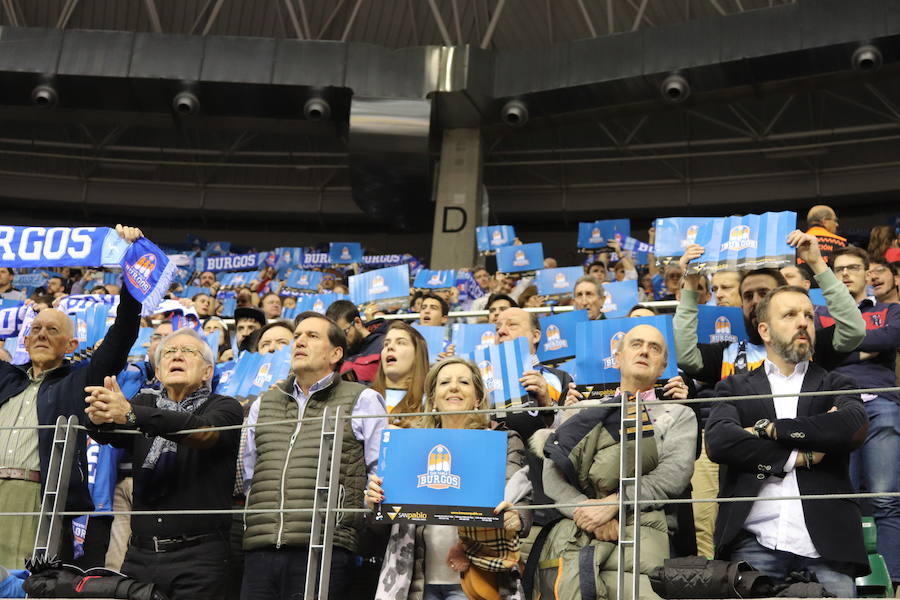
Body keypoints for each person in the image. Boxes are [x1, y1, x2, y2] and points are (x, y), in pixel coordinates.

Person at [705, 284, 869, 597]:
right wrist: (799, 456)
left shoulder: (837, 381)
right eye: (791, 315)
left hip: (829, 546)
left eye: (809, 315)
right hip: (753, 543)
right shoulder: (734, 386)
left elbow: (852, 427)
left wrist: (770, 429)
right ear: (764, 330)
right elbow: (719, 441)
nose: (804, 322)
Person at [0, 224, 143, 569]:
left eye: (53, 330)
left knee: (24, 588)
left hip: (38, 499)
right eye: (35, 329)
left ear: (72, 345)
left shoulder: (80, 380)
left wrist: (131, 264)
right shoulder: (5, 377)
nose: (42, 335)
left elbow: (122, 334)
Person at [538, 324, 697, 600]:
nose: (645, 351)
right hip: (578, 534)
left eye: (654, 348)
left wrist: (613, 503)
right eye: (636, 344)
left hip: (645, 537)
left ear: (663, 367)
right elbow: (552, 475)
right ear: (618, 357)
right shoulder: (580, 411)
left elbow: (673, 477)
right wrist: (587, 512)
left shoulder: (680, 414)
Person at [84, 329, 241, 600]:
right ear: (157, 372)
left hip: (200, 558)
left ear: (207, 372)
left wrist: (132, 415)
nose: (177, 355)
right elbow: (109, 432)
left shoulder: (226, 406)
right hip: (139, 557)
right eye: (169, 352)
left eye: (188, 351)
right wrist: (100, 416)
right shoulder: (144, 402)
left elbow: (204, 433)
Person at [240, 311, 387, 600]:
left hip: (326, 548)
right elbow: (250, 476)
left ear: (336, 353)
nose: (300, 342)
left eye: (312, 336)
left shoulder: (363, 399)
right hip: (262, 546)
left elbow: (379, 472)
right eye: (296, 336)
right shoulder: (263, 404)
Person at [367, 357, 530, 600]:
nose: (453, 387)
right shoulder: (409, 445)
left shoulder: (504, 440)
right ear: (433, 399)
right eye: (444, 382)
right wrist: (375, 503)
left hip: (478, 578)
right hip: (414, 582)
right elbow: (380, 521)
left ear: (477, 398)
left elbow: (520, 499)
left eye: (463, 382)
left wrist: (517, 517)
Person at [675, 231, 865, 385]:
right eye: (748, 296)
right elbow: (686, 357)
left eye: (764, 293)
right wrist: (691, 284)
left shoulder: (809, 344)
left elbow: (853, 330)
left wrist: (816, 263)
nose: (756, 301)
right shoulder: (726, 354)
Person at [822, 246, 900, 587]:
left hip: (882, 402)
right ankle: (848, 584)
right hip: (837, 406)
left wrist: (846, 347)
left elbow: (892, 337)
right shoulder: (818, 313)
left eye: (854, 267)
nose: (846, 274)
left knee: (885, 497)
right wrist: (867, 349)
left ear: (868, 273)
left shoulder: (890, 309)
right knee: (845, 498)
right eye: (839, 269)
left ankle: (893, 583)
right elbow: (822, 353)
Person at [369, 321, 429, 423]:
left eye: (401, 342)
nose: (390, 347)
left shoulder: (429, 402)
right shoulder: (364, 397)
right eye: (386, 343)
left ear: (417, 355)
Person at [326, 300, 388, 384]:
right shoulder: (339, 353)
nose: (341, 340)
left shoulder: (384, 344)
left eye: (344, 332)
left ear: (357, 322)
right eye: (336, 336)